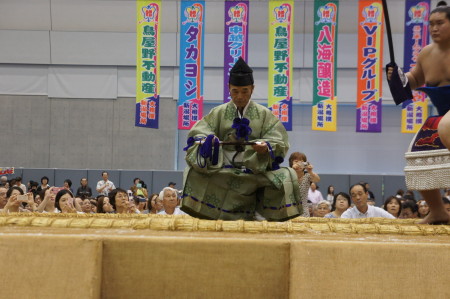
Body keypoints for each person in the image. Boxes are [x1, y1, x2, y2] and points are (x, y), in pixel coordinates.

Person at [181, 57, 301, 221]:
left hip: (254, 168)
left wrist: (266, 147)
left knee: (287, 177)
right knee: (192, 172)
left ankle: (262, 214)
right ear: (229, 88)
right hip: (223, 167)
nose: (239, 96)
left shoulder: (264, 113)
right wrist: (208, 142)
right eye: (235, 91)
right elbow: (199, 132)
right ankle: (212, 214)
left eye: (244, 91)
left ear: (252, 89)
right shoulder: (219, 112)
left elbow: (278, 139)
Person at [386, 2, 450, 224]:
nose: (434, 28)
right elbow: (414, 81)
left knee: (445, 125)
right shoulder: (426, 54)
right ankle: (438, 211)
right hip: (442, 115)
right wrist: (398, 78)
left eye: (440, 23)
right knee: (417, 154)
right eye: (431, 24)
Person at [289, 152, 320, 217]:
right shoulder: (287, 173)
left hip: (303, 210)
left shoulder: (308, 175)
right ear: (291, 163)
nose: (299, 164)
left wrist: (310, 171)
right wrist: (292, 169)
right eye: (296, 161)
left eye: (302, 162)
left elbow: (317, 179)